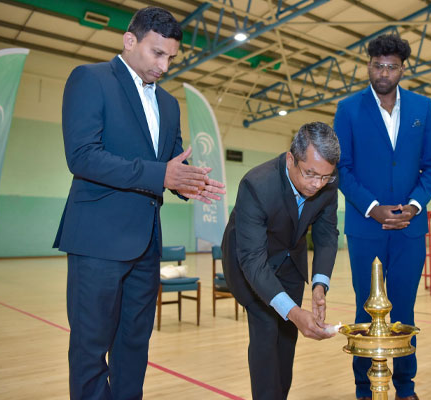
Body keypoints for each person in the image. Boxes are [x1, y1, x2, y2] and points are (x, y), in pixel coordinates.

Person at [53, 7, 226, 399]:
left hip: (146, 246)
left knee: (134, 347)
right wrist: (161, 175)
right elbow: (82, 156)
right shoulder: (90, 79)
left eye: (171, 58)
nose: (164, 66)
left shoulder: (169, 104)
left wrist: (190, 183)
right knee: (90, 348)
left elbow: (171, 162)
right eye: (157, 53)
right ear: (129, 41)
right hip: (97, 241)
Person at [334, 34, 431, 400]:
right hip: (366, 226)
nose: (383, 73)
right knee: (366, 309)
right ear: (368, 65)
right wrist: (372, 207)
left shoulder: (423, 107)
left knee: (405, 309)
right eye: (377, 65)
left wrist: (414, 205)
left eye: (391, 67)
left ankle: (405, 387)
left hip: (410, 226)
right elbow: (342, 168)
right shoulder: (348, 109)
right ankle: (364, 388)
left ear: (402, 69)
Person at [221, 121, 340, 400]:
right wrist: (294, 311)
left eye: (325, 177)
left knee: (287, 339)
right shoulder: (256, 185)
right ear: (290, 159)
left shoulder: (328, 183)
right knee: (265, 331)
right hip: (251, 265)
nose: (317, 184)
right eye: (310, 174)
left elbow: (326, 236)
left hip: (290, 263)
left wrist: (319, 286)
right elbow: (253, 260)